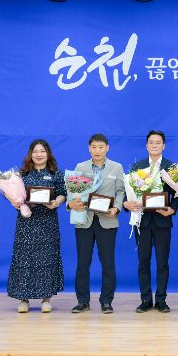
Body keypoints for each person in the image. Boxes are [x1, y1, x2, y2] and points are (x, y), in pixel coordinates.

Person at [68, 133, 125, 314]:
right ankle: (82, 301)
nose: (97, 151)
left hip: (107, 220)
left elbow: (121, 191)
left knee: (108, 263)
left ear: (107, 148)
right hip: (84, 220)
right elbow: (72, 191)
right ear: (89, 148)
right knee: (83, 263)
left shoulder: (116, 167)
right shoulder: (80, 167)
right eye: (94, 147)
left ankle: (106, 301)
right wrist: (71, 204)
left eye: (101, 147)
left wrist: (116, 208)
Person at [6, 139, 66, 313]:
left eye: (42, 151)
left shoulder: (55, 173)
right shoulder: (22, 174)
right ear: (30, 154)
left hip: (48, 221)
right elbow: (11, 193)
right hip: (27, 222)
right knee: (24, 258)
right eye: (35, 151)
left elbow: (63, 193)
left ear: (48, 153)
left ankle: (46, 299)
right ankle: (23, 299)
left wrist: (56, 203)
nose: (39, 155)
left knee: (47, 258)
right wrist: (14, 202)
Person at [123, 130, 178, 314]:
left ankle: (161, 300)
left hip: (163, 220)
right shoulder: (137, 166)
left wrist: (173, 208)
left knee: (163, 262)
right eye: (151, 143)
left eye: (158, 143)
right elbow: (129, 192)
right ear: (147, 145)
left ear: (164, 146)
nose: (155, 146)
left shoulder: (171, 167)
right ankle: (145, 300)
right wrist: (127, 204)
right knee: (143, 262)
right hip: (143, 221)